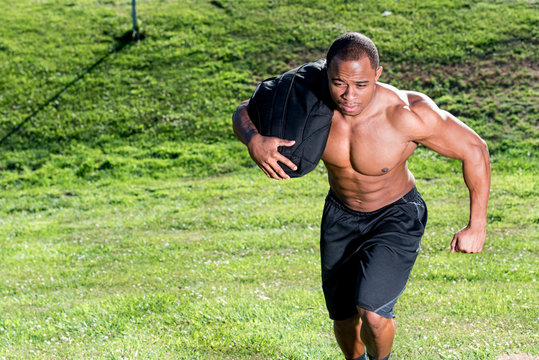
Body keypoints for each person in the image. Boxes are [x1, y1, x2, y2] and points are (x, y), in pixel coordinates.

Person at [232, 32, 490, 360]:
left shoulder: (407, 113)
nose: (349, 96)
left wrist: (476, 224)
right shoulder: (308, 97)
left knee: (374, 313)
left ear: (377, 76)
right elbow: (244, 109)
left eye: (361, 85)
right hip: (340, 214)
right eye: (339, 83)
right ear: (327, 74)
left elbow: (475, 149)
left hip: (395, 214)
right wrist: (253, 140)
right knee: (343, 317)